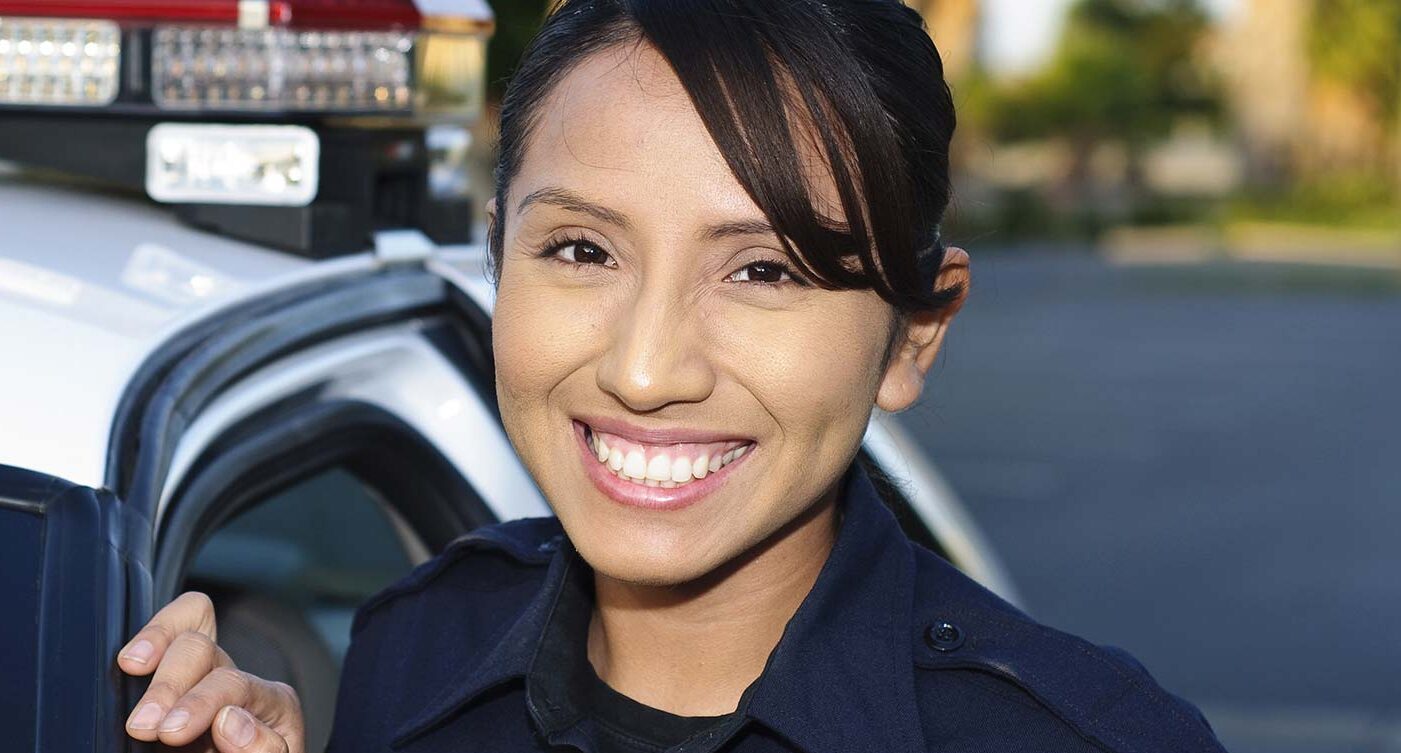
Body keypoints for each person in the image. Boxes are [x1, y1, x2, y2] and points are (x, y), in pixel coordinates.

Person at [115, 1, 1229, 751]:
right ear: (497, 255)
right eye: (583, 251)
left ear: (912, 337)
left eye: (764, 270)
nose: (646, 371)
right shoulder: (415, 652)